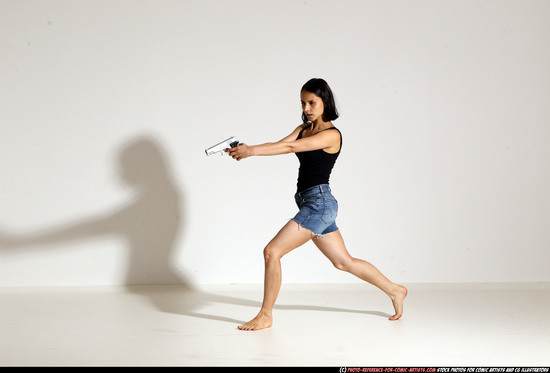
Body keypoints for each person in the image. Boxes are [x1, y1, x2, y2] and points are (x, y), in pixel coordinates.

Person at [226, 78, 407, 331]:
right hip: (311, 204)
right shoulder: (304, 128)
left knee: (272, 252)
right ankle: (395, 290)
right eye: (303, 103)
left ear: (325, 102)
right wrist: (247, 149)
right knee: (343, 262)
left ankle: (266, 315)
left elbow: (290, 147)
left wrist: (252, 152)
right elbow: (281, 143)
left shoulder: (331, 134)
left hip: (319, 204)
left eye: (312, 102)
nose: (307, 108)